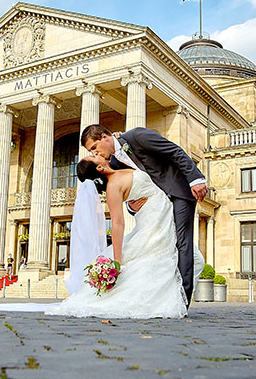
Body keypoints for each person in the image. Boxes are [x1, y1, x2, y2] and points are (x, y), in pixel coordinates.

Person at [45, 154, 202, 319]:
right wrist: (117, 260)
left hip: (161, 214)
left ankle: (170, 298)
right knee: (171, 261)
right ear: (99, 168)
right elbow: (118, 223)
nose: (96, 154)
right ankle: (163, 301)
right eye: (93, 156)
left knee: (192, 259)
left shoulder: (118, 168)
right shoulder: (112, 187)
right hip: (155, 222)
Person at [80, 123, 207, 306]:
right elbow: (134, 192)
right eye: (91, 152)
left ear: (104, 137)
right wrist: (133, 206)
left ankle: (182, 301)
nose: (94, 154)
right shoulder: (113, 163)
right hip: (157, 209)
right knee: (169, 248)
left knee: (183, 244)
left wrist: (195, 179)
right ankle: (172, 299)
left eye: (94, 148)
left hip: (179, 192)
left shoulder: (137, 136)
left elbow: (174, 151)